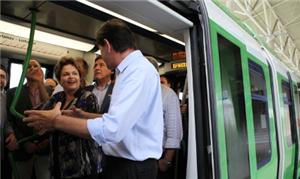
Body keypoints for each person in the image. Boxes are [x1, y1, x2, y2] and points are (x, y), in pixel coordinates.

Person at [24, 18, 163, 179]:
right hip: (122, 164)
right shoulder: (128, 72)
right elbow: (124, 121)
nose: (102, 57)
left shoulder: (137, 72)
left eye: (101, 51)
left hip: (132, 168)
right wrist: (85, 116)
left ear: (108, 45)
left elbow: (113, 129)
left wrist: (56, 121)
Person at [40, 57, 102, 179]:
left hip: (83, 167)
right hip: (57, 164)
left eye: (75, 73)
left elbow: (88, 130)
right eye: (66, 74)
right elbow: (42, 118)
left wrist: (55, 121)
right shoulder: (57, 97)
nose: (71, 77)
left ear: (80, 77)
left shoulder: (88, 97)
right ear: (59, 79)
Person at [6, 59, 50, 179]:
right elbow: (11, 120)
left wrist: (40, 82)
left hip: (45, 148)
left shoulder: (50, 92)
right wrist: (25, 142)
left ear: (41, 71)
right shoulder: (12, 93)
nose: (32, 68)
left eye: (36, 66)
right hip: (22, 148)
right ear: (23, 73)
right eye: (28, 67)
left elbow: (51, 112)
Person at [146, 57, 183, 179]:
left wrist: (166, 161)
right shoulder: (136, 93)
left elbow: (174, 133)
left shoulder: (168, 94)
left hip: (157, 158)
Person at [1, 64, 15, 179]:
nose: (0, 79)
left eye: (2, 77)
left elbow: (8, 121)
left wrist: (10, 133)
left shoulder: (8, 98)